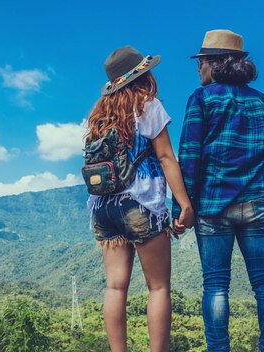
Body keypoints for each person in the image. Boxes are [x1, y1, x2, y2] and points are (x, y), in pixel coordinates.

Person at [172, 29, 264, 351]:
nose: (197, 69)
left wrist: (180, 208)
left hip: (213, 204)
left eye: (201, 62)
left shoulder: (201, 99)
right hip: (259, 201)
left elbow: (189, 156)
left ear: (215, 63)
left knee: (216, 286)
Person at [86, 45, 194, 352]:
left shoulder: (98, 115)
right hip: (140, 204)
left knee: (115, 287)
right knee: (158, 287)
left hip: (102, 206)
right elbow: (165, 157)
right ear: (142, 75)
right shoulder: (147, 104)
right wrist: (184, 204)